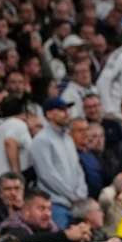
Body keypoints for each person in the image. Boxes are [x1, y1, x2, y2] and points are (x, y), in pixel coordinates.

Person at [29, 97, 88, 229]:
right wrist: (72, 195)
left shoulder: (68, 138)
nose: (66, 113)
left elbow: (77, 168)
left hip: (76, 204)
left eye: (67, 109)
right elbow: (47, 174)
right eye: (61, 110)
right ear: (49, 114)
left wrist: (81, 192)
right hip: (56, 203)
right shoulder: (41, 140)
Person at [0, 97, 34, 202]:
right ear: (24, 111)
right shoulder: (18, 124)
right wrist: (17, 177)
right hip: (6, 188)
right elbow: (10, 142)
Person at [0, 188, 93, 242]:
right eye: (41, 208)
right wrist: (65, 235)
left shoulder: (51, 227)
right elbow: (24, 240)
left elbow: (55, 237)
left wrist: (80, 236)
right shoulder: (12, 227)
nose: (48, 214)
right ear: (26, 211)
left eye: (49, 209)